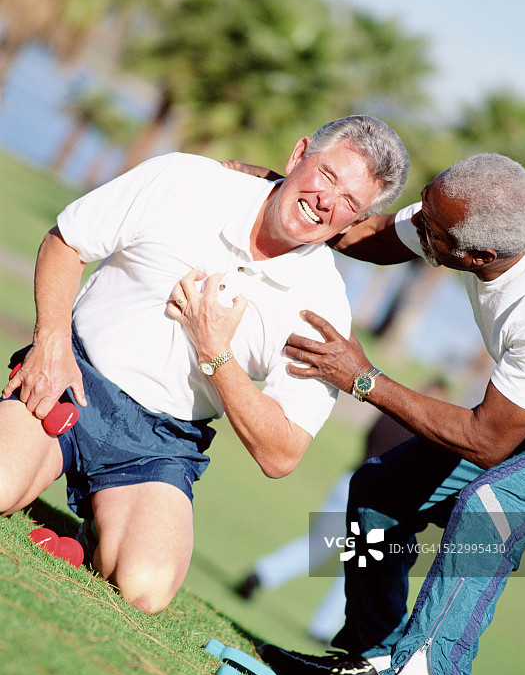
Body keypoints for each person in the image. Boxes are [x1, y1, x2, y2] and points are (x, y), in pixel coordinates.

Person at [0, 115, 410, 615]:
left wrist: (215, 352)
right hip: (75, 376)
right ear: (299, 154)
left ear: (354, 222)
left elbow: (282, 453)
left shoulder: (325, 309)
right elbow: (66, 242)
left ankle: (94, 539)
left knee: (145, 589)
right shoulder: (186, 180)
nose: (327, 202)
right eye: (328, 175)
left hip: (162, 443)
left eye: (350, 203)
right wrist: (51, 344)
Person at [238, 153, 525, 675]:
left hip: (508, 432)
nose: (415, 223)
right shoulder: (454, 221)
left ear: (476, 257)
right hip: (516, 423)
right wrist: (287, 192)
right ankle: (370, 668)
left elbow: (489, 440)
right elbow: (366, 236)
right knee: (378, 492)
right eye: (424, 204)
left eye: (431, 230)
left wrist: (364, 378)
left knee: (490, 508)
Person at [234, 381, 448, 645]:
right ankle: (322, 627)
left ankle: (262, 573)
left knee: (317, 546)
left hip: (351, 480)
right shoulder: (423, 431)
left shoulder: (389, 414)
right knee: (357, 563)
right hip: (380, 499)